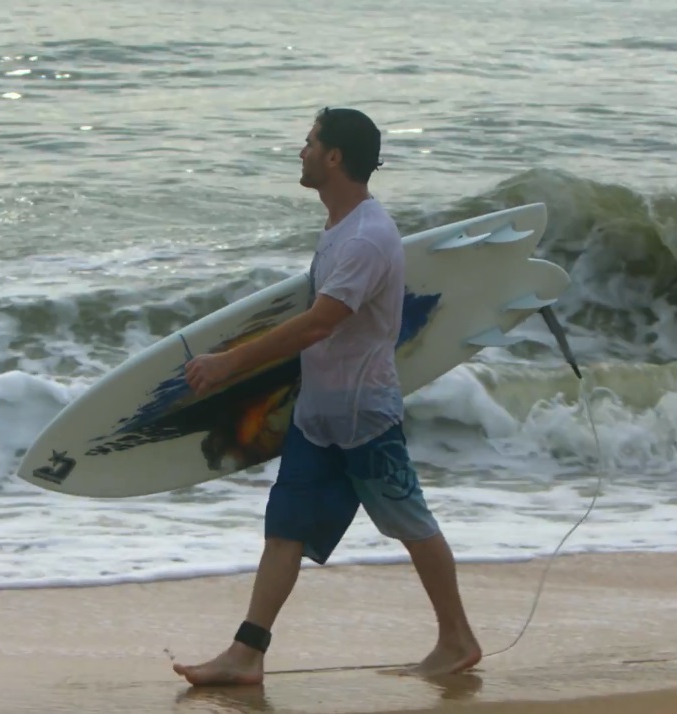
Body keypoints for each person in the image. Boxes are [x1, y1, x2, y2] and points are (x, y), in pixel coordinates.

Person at [174, 107, 481, 686]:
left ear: (334, 157)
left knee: (410, 523)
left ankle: (457, 638)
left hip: (364, 419)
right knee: (284, 528)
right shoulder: (343, 227)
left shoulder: (366, 237)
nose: (302, 151)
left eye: (310, 142)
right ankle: (246, 653)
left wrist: (228, 363)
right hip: (317, 418)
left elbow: (320, 323)